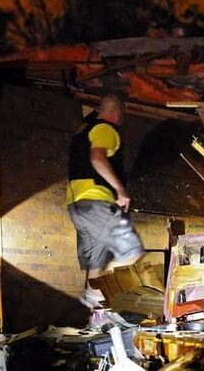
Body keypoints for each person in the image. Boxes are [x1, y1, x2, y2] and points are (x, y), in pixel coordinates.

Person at [66, 95, 145, 308]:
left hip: (77, 206)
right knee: (132, 250)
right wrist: (121, 190)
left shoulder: (82, 132)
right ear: (118, 114)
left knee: (96, 263)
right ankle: (97, 294)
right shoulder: (105, 129)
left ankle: (95, 317)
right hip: (96, 202)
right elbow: (97, 157)